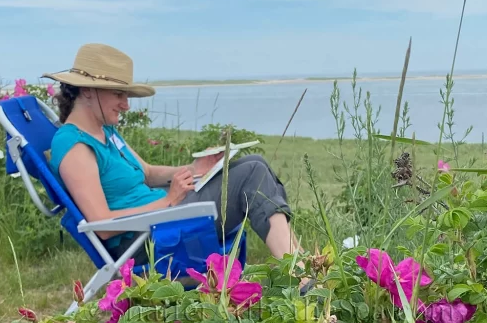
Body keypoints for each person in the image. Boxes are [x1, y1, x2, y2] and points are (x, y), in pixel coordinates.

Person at [45, 44, 301, 264]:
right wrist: (169, 201)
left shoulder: (106, 132)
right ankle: (300, 274)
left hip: (165, 218)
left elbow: (146, 172)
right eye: (118, 94)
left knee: (254, 162)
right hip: (147, 240)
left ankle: (300, 263)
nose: (126, 105)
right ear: (88, 90)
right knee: (252, 173)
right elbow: (102, 225)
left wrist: (193, 169)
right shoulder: (74, 146)